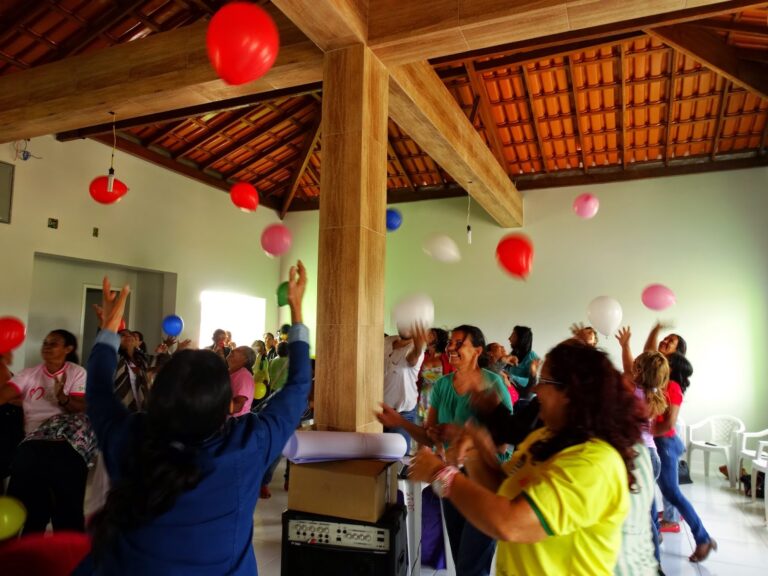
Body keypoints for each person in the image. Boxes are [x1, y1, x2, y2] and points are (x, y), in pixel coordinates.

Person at [75, 262, 310, 574]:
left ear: (157, 396)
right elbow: (299, 387)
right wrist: (296, 310)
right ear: (227, 408)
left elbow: (97, 390)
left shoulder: (128, 437)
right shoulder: (248, 444)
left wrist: (109, 330)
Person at [408, 340, 645, 575]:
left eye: (545, 382)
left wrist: (441, 475)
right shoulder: (544, 437)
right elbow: (502, 488)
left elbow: (511, 523)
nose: (535, 390)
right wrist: (474, 453)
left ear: (570, 393)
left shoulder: (594, 464)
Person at [378, 325, 513, 576]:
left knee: (473, 563)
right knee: (460, 554)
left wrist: (465, 437)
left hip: (485, 482)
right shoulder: (442, 385)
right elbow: (429, 436)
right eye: (450, 342)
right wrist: (400, 421)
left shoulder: (493, 384)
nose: (451, 347)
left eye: (460, 343)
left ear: (477, 351)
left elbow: (504, 445)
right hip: (451, 476)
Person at [0, 330, 96, 533]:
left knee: (67, 514)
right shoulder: (29, 374)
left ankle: (67, 548)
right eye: (45, 342)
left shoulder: (76, 372)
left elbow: (81, 408)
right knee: (30, 510)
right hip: (33, 445)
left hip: (66, 446)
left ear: (68, 349)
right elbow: (4, 395)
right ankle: (27, 548)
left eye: (54, 343)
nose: (47, 346)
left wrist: (63, 398)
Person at [653, 352, 716, 563]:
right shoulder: (660, 384)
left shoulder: (672, 387)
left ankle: (703, 538)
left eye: (666, 360)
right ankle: (654, 532)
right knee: (660, 491)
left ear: (672, 368)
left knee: (673, 493)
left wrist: (645, 432)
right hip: (661, 443)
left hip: (665, 443)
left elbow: (668, 424)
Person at [381, 325, 427, 450]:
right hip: (381, 411)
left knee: (398, 456)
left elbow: (413, 357)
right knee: (378, 455)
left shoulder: (416, 349)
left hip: (403, 414)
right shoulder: (387, 341)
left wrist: (419, 343)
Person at [417, 328, 452, 423]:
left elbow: (453, 379)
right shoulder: (421, 356)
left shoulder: (447, 358)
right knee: (420, 427)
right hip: (423, 399)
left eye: (431, 334)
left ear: (438, 339)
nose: (426, 335)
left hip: (441, 399)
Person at [115, 329, 150, 412]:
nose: (128, 336)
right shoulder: (114, 358)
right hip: (120, 409)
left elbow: (161, 363)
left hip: (142, 409)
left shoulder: (141, 360)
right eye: (123, 335)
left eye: (130, 335)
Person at [503, 325, 539, 399]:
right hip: (510, 394)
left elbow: (531, 381)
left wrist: (510, 376)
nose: (509, 338)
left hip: (523, 399)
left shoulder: (532, 356)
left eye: (513, 335)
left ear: (521, 339)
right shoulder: (513, 354)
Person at [227, 346, 256, 417]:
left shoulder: (244, 376)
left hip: (235, 421)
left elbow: (237, 406)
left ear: (245, 359)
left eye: (238, 350)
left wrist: (213, 407)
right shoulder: (229, 371)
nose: (232, 350)